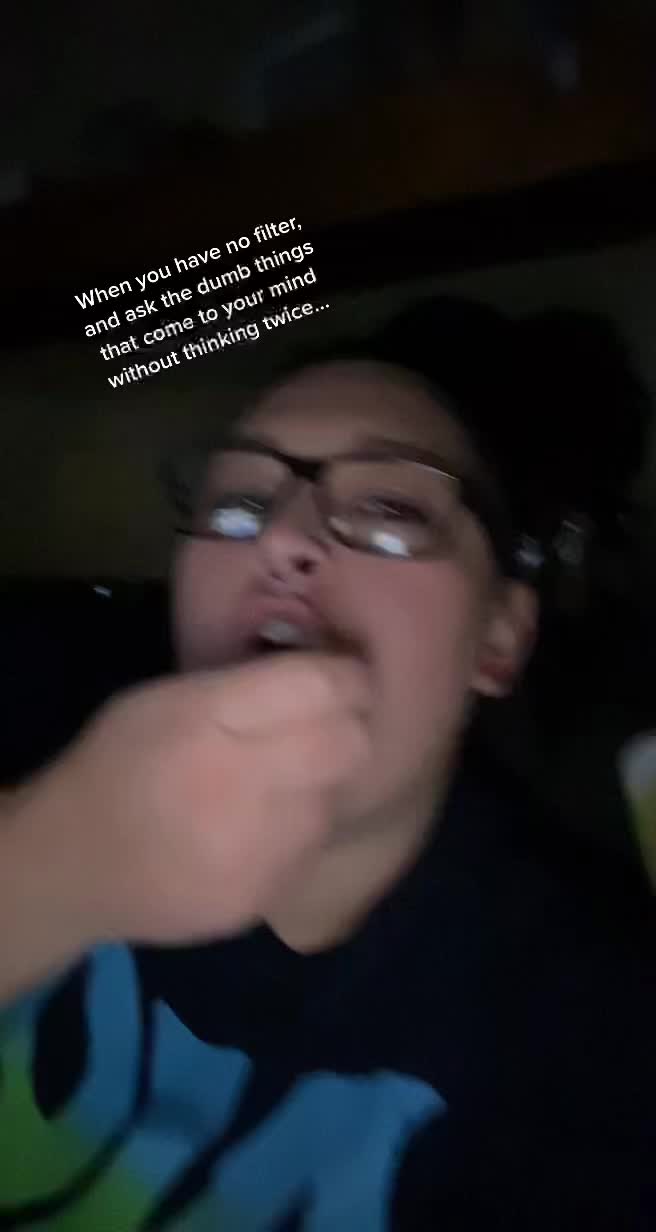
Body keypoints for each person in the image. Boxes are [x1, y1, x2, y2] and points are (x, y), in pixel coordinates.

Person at [0, 296, 654, 1231]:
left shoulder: (593, 1024)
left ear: (500, 637)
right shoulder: (44, 698)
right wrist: (54, 866)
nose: (281, 538)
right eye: (238, 504)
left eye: (391, 510)